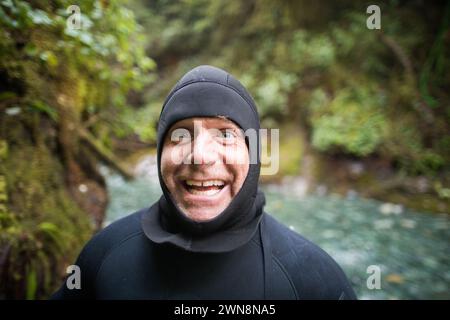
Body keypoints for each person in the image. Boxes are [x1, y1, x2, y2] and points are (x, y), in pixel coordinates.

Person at [51, 65, 356, 299]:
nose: (199, 156)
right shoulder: (103, 256)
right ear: (160, 151)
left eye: (225, 135)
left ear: (253, 153)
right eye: (181, 135)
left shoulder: (314, 282)